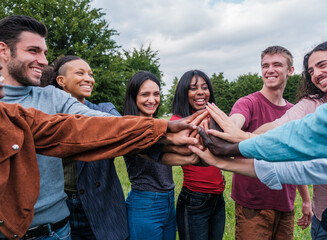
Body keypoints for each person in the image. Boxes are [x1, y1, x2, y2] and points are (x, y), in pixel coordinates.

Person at [0, 15, 204, 240]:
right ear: (4, 50)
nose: (42, 60)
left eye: (44, 53)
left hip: (56, 230)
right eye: (33, 51)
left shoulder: (53, 97)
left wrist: (163, 130)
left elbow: (96, 123)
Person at [204, 39, 327, 239]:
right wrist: (231, 136)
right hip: (280, 206)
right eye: (311, 71)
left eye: (322, 65)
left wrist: (304, 199)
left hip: (287, 202)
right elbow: (277, 129)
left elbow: (301, 159)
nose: (316, 73)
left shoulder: (310, 109)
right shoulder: (304, 105)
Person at [228, 46, 310, 240]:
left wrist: (306, 200)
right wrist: (231, 129)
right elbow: (233, 127)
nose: (270, 70)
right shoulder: (247, 103)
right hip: (253, 205)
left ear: (290, 70)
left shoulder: (294, 112)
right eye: (265, 65)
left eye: (277, 65)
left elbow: (295, 160)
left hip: (285, 204)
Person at [44, 55, 124, 240]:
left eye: (90, 74)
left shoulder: (105, 110)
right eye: (80, 73)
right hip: (62, 207)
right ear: (61, 81)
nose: (89, 78)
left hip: (101, 207)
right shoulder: (47, 116)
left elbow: (125, 128)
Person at [171, 70, 226, 240]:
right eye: (193, 88)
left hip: (218, 198)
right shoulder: (178, 121)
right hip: (195, 199)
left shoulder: (214, 119)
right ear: (184, 93)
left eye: (204, 87)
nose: (201, 92)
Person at [123, 71, 177, 240]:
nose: (152, 100)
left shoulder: (158, 124)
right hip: (145, 203)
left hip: (168, 200)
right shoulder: (130, 127)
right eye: (145, 94)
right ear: (134, 97)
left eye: (156, 94)